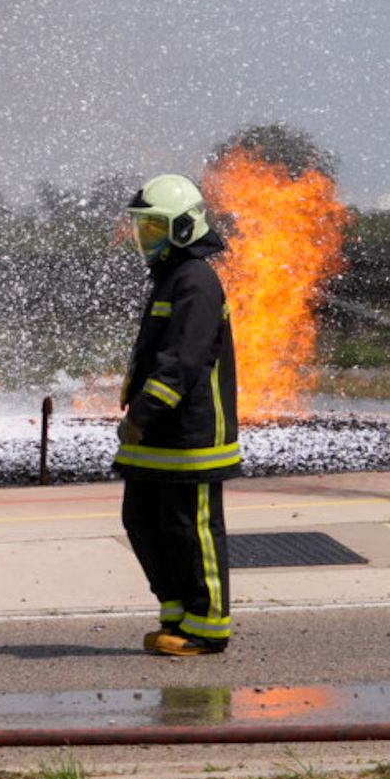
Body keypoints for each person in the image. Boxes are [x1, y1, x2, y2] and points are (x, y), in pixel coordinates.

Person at [116, 172, 241, 656]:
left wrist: (143, 414)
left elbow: (181, 362)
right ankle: (176, 614)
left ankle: (207, 628)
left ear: (184, 228)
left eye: (154, 228)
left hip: (191, 437)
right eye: (141, 228)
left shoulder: (197, 281)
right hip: (158, 436)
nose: (144, 238)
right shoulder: (172, 278)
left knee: (192, 529)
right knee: (142, 520)